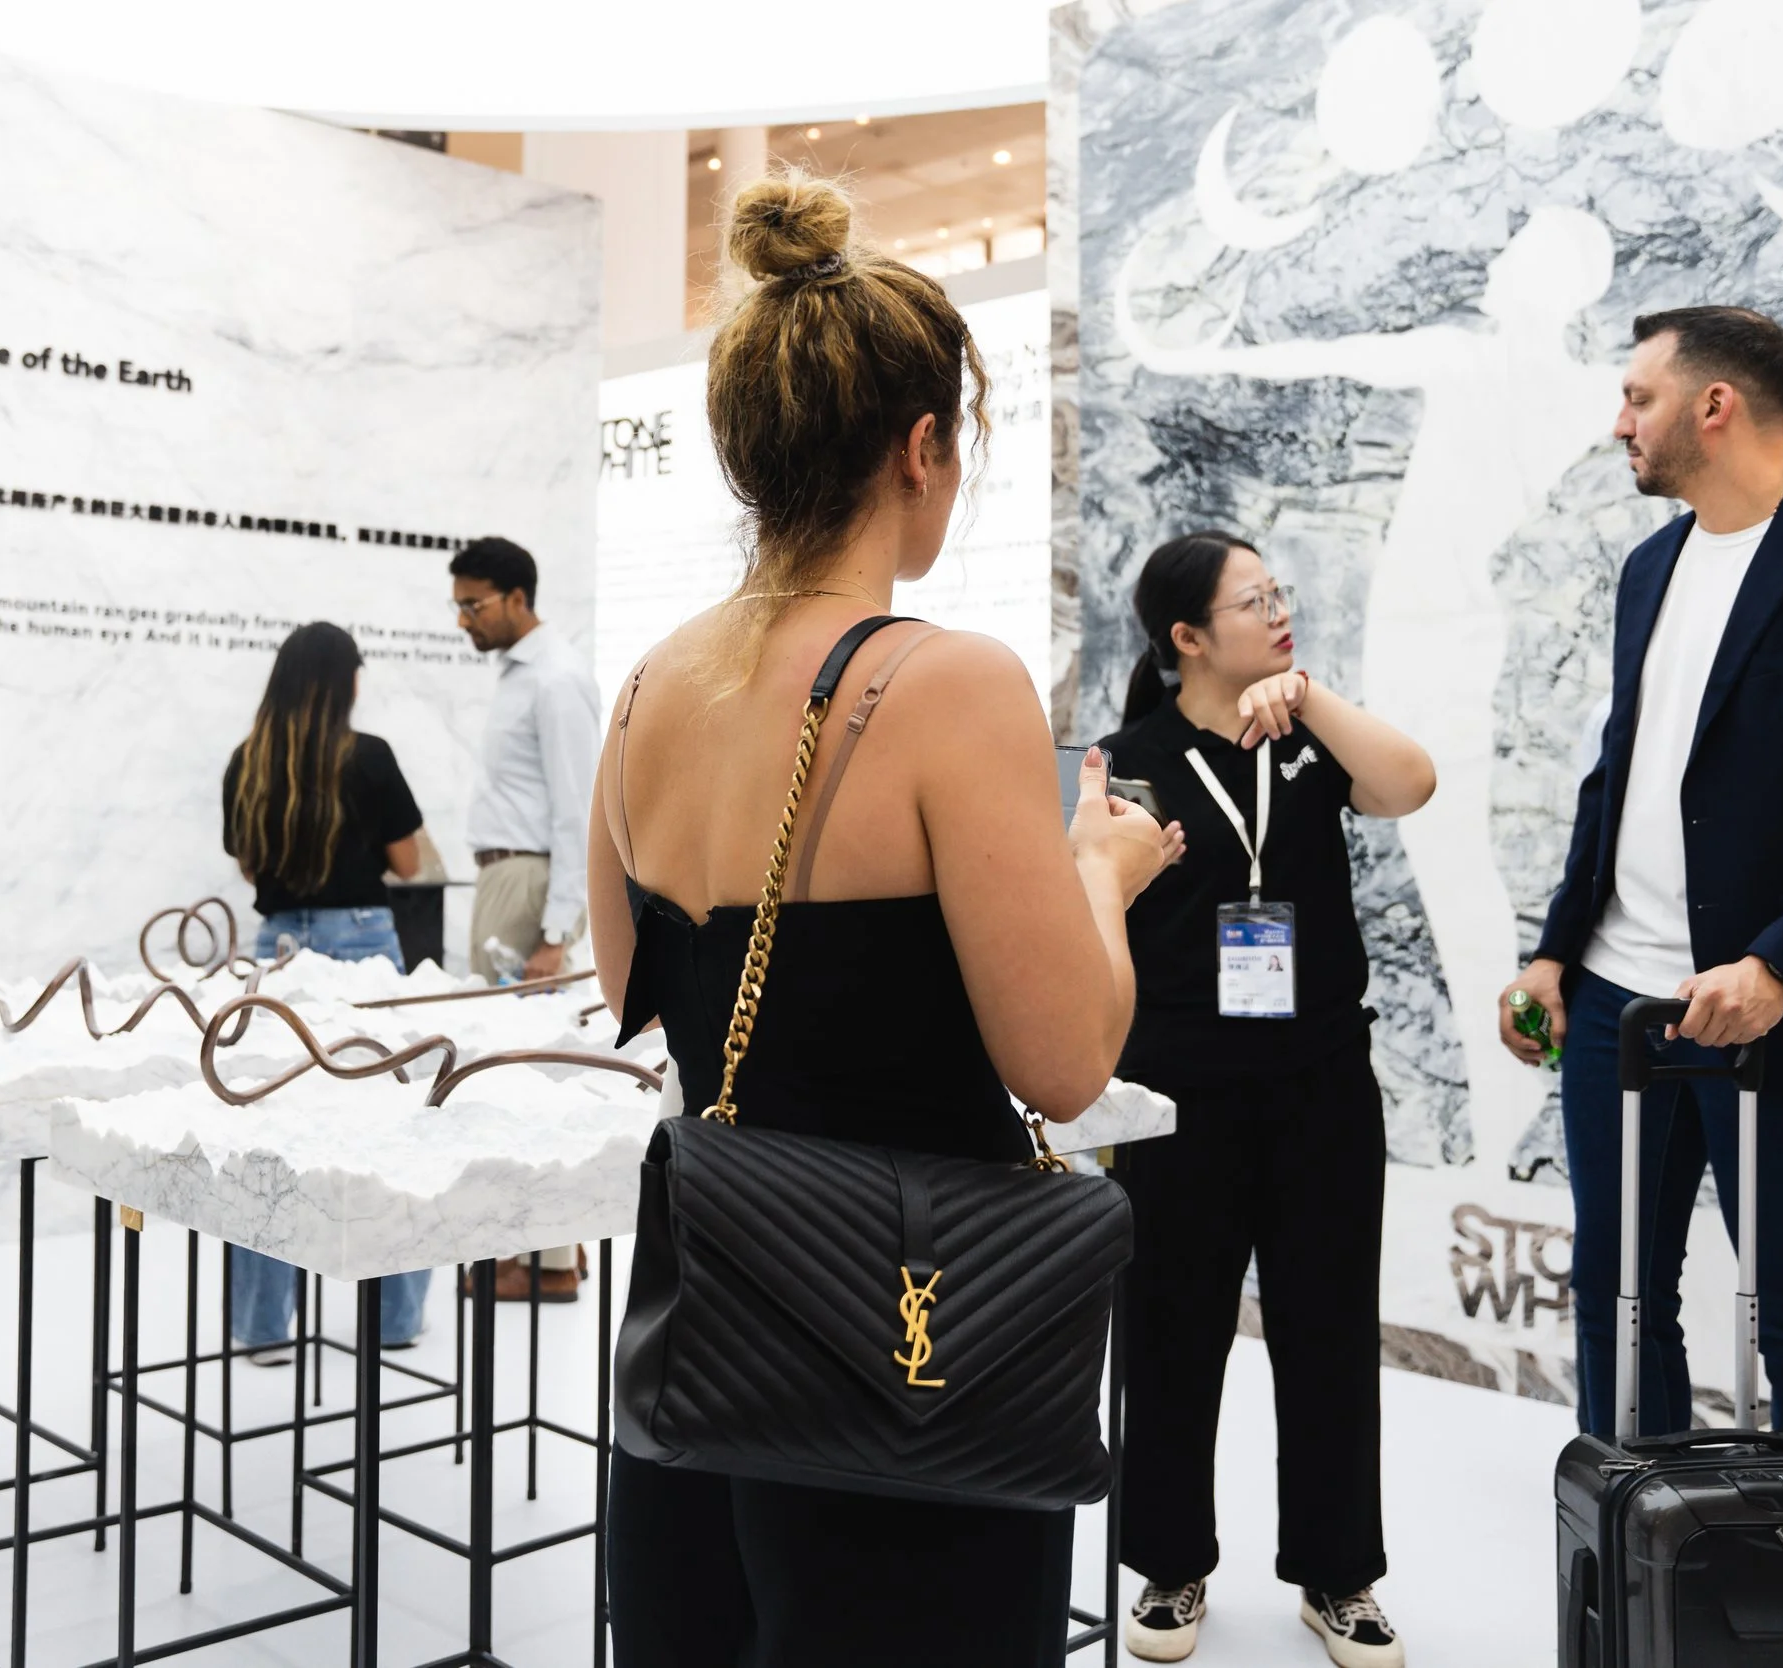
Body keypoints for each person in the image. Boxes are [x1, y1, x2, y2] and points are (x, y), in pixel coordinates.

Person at [590, 170, 1175, 1668]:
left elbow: (630, 984)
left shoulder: (649, 689)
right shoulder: (946, 683)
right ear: (921, 446)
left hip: (709, 1328)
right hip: (909, 1341)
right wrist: (1102, 878)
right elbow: (1063, 1067)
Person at [1501, 307, 1783, 1456]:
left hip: (1779, 1008)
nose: (1619, 423)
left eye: (1638, 398)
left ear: (1714, 406)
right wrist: (1557, 952)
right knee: (1617, 1295)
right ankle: (1639, 1532)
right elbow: (1618, 779)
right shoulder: (1648, 567)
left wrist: (1777, 967)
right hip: (1616, 1005)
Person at [1096, 533, 1435, 1667]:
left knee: (1327, 1331)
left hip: (1320, 1084)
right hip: (1177, 1094)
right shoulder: (1131, 760)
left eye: (1278, 592)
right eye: (1255, 601)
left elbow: (1410, 783)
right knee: (1171, 1333)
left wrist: (1312, 697)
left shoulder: (1308, 738)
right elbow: (1094, 908)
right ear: (1189, 637)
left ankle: (1339, 1577)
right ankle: (1169, 1564)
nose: (1280, 610)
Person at [221, 621, 435, 1359]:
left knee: (268, 1126)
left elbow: (250, 866)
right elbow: (408, 865)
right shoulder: (369, 756)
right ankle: (396, 1318)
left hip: (278, 948)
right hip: (362, 944)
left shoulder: (248, 761)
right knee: (392, 1120)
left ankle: (263, 1328)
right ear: (345, 680)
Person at [450, 534, 604, 1301]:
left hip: (529, 888)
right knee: (514, 1070)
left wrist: (554, 934)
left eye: (473, 605)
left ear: (517, 598)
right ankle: (544, 1253)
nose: (463, 620)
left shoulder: (557, 677)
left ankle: (541, 1261)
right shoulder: (520, 674)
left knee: (526, 1076)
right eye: (458, 606)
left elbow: (580, 813)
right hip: (507, 881)